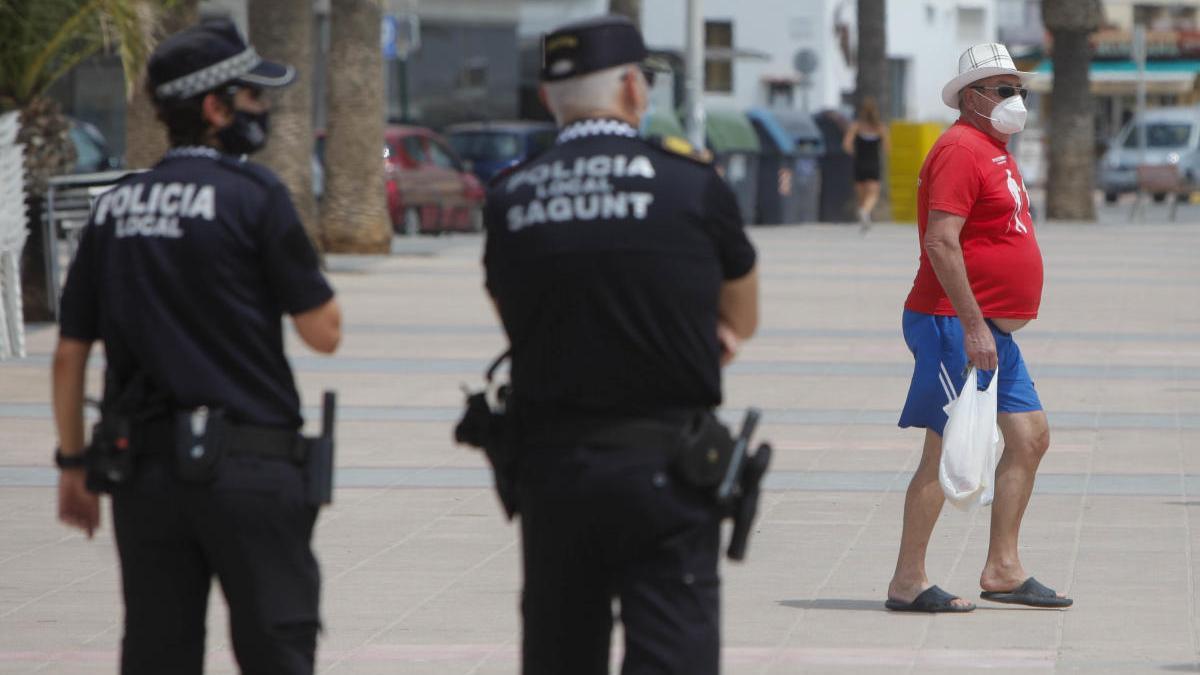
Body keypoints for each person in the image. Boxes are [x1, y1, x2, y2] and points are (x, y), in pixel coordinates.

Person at [51, 18, 342, 673]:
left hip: (145, 476)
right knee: (277, 646)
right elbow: (323, 332)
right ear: (215, 109)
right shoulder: (255, 196)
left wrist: (73, 463)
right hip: (251, 469)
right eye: (252, 97)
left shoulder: (116, 206)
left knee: (157, 651)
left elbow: (69, 352)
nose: (261, 110)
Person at [482, 15, 759, 674]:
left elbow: (512, 316)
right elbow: (741, 319)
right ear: (634, 89)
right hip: (665, 465)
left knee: (559, 651)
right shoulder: (692, 184)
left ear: (550, 98)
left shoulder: (511, 195)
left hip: (554, 466)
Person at [886, 43, 1072, 613]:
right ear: (972, 97)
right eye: (1004, 89)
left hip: (990, 328)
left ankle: (1003, 568)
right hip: (951, 322)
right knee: (944, 450)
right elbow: (941, 240)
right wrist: (972, 327)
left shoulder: (993, 148)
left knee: (1030, 437)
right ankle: (908, 581)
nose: (1017, 99)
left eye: (1019, 89)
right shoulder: (959, 149)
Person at [842, 96, 889, 223]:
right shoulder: (880, 128)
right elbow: (887, 148)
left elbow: (846, 145)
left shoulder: (856, 126)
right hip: (873, 163)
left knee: (862, 196)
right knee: (873, 194)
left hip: (859, 163)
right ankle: (865, 212)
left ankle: (864, 221)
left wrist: (855, 151)